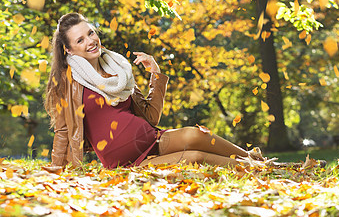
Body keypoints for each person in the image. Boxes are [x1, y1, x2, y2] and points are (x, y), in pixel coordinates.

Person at [44, 12, 251, 170]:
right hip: (128, 165)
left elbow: (151, 115)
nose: (90, 41)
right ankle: (252, 168)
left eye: (91, 33)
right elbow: (63, 131)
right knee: (195, 157)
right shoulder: (67, 81)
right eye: (80, 40)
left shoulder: (118, 69)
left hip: (153, 139)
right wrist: (57, 169)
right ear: (68, 50)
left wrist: (156, 75)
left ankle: (255, 159)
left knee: (195, 135)